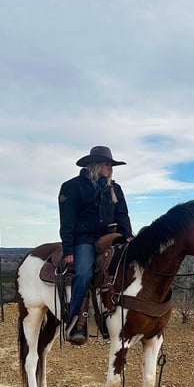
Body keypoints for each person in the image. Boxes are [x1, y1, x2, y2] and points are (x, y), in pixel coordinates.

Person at [58, 146, 133, 344]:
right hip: (85, 240)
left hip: (112, 237)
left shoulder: (114, 188)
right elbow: (67, 221)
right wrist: (68, 250)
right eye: (107, 164)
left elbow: (122, 215)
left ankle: (120, 318)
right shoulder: (72, 187)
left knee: (130, 268)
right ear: (95, 165)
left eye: (111, 164)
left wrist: (128, 237)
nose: (110, 167)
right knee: (83, 274)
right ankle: (75, 322)